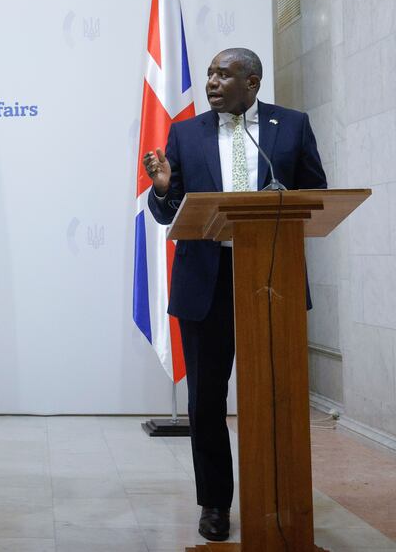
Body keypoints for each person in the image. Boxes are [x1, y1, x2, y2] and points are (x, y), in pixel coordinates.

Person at [143, 48, 327, 542]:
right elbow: (169, 213)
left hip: (272, 278)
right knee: (206, 401)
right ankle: (215, 504)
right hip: (206, 282)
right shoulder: (186, 134)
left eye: (224, 74)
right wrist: (162, 189)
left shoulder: (291, 126)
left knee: (277, 393)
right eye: (209, 74)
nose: (212, 82)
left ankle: (279, 495)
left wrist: (282, 196)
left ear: (253, 81)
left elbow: (316, 191)